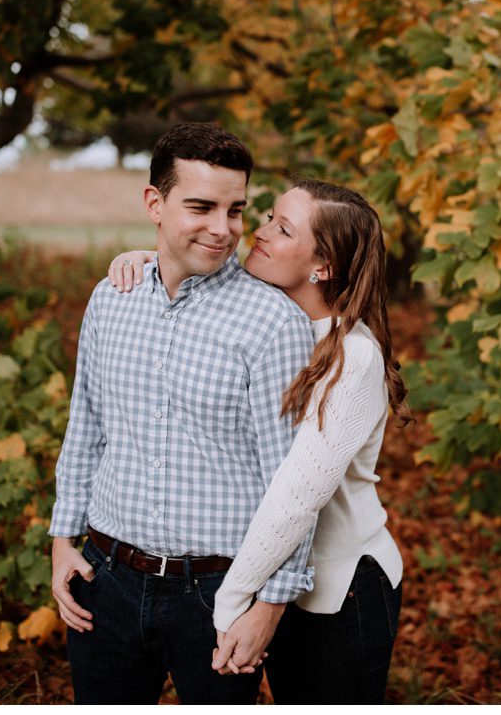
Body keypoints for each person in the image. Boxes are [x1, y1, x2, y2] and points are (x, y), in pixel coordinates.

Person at [106, 178, 411, 703]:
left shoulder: (353, 357)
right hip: (277, 577)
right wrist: (147, 259)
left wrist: (231, 603)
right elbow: (197, 275)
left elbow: (294, 499)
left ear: (324, 267)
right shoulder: (276, 316)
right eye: (268, 216)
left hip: (340, 591)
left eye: (283, 229)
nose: (260, 233)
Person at [48, 122, 316, 704]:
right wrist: (63, 541)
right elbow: (86, 426)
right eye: (200, 207)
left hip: (217, 593)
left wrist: (269, 607)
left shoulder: (272, 323)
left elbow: (292, 487)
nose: (223, 230)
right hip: (106, 579)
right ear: (155, 202)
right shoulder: (110, 298)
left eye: (236, 210)